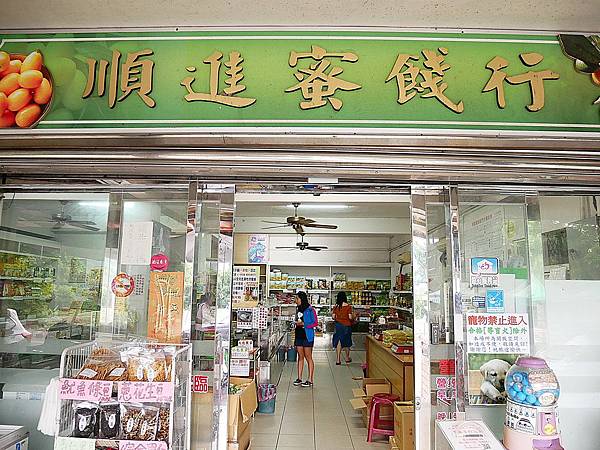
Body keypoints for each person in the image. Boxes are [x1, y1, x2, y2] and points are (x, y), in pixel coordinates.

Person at [293, 291, 318, 387]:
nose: (295, 300)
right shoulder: (298, 309)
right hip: (299, 334)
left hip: (307, 335)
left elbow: (315, 323)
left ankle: (310, 379)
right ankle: (299, 378)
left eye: (297, 298)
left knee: (308, 357)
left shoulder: (310, 310)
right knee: (300, 357)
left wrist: (304, 324)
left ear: (301, 299)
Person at [332, 291, 354, 365]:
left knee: (339, 341)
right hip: (346, 326)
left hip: (338, 326)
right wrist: (353, 317)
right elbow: (350, 317)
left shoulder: (336, 307)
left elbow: (333, 317)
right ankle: (347, 358)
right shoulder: (348, 307)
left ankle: (338, 360)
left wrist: (338, 318)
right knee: (347, 341)